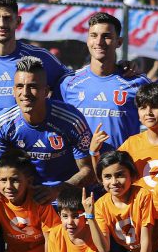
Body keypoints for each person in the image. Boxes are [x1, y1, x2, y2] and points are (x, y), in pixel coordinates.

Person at [0, 56, 95, 203]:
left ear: (46, 91)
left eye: (32, 86)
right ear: (13, 91)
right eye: (20, 86)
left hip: (65, 201)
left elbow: (89, 170)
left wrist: (57, 190)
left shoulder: (72, 120)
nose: (25, 93)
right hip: (24, 200)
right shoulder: (3, 123)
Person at [61, 12, 149, 153]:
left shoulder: (138, 83)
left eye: (106, 36)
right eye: (93, 35)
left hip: (121, 170)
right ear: (88, 39)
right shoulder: (68, 83)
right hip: (80, 170)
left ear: (119, 42)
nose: (99, 42)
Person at [115, 82, 158, 190]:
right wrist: (94, 153)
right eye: (143, 107)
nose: (148, 112)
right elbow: (111, 174)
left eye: (155, 107)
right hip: (140, 206)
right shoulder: (131, 144)